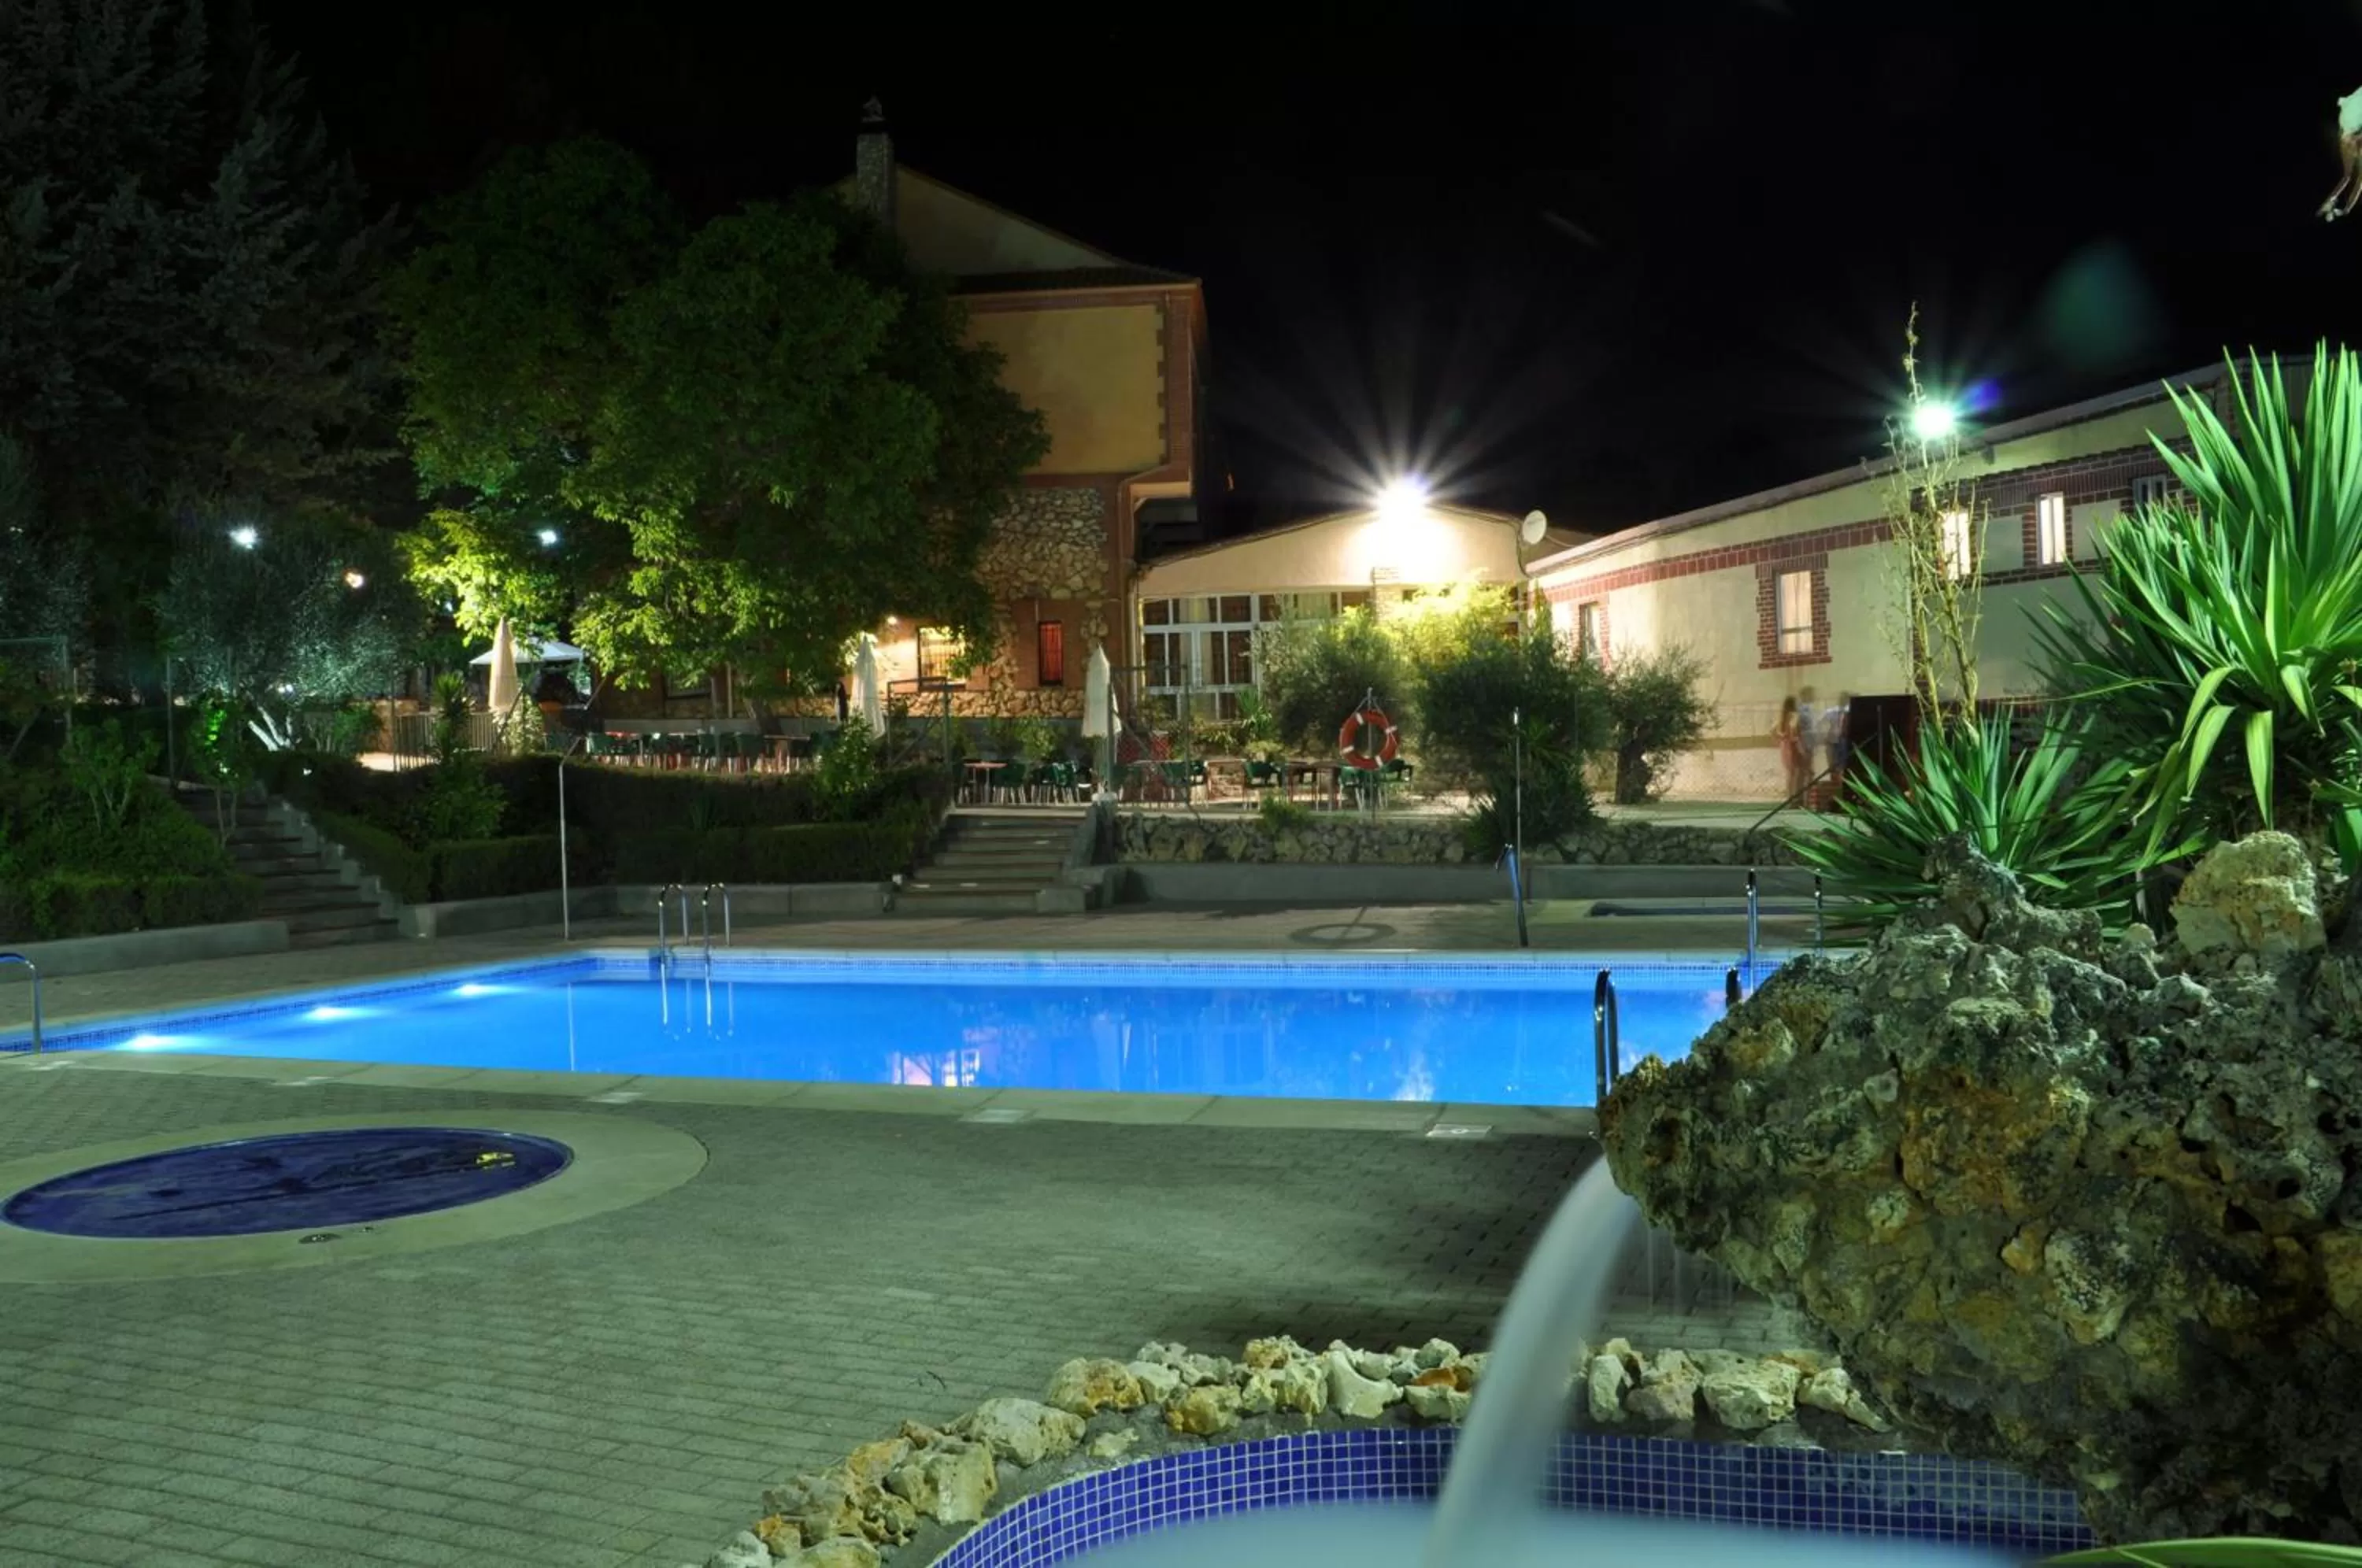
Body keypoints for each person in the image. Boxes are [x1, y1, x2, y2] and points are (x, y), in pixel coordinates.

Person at [1773, 695, 1809, 802]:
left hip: (1784, 746)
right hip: (1792, 746)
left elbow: (1773, 730)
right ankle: (1796, 797)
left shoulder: (1782, 717)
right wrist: (1798, 742)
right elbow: (1794, 729)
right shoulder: (1794, 716)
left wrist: (1780, 739)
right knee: (1797, 772)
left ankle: (1789, 797)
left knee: (1790, 773)